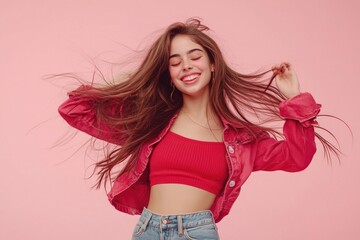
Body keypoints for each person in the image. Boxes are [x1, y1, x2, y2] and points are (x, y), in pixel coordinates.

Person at [58, 18, 333, 239]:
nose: (186, 66)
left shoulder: (241, 140)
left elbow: (297, 157)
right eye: (174, 62)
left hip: (195, 233)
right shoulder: (151, 124)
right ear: (169, 74)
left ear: (213, 64)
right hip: (147, 230)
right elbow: (74, 110)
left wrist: (293, 98)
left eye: (195, 56)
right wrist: (123, 80)